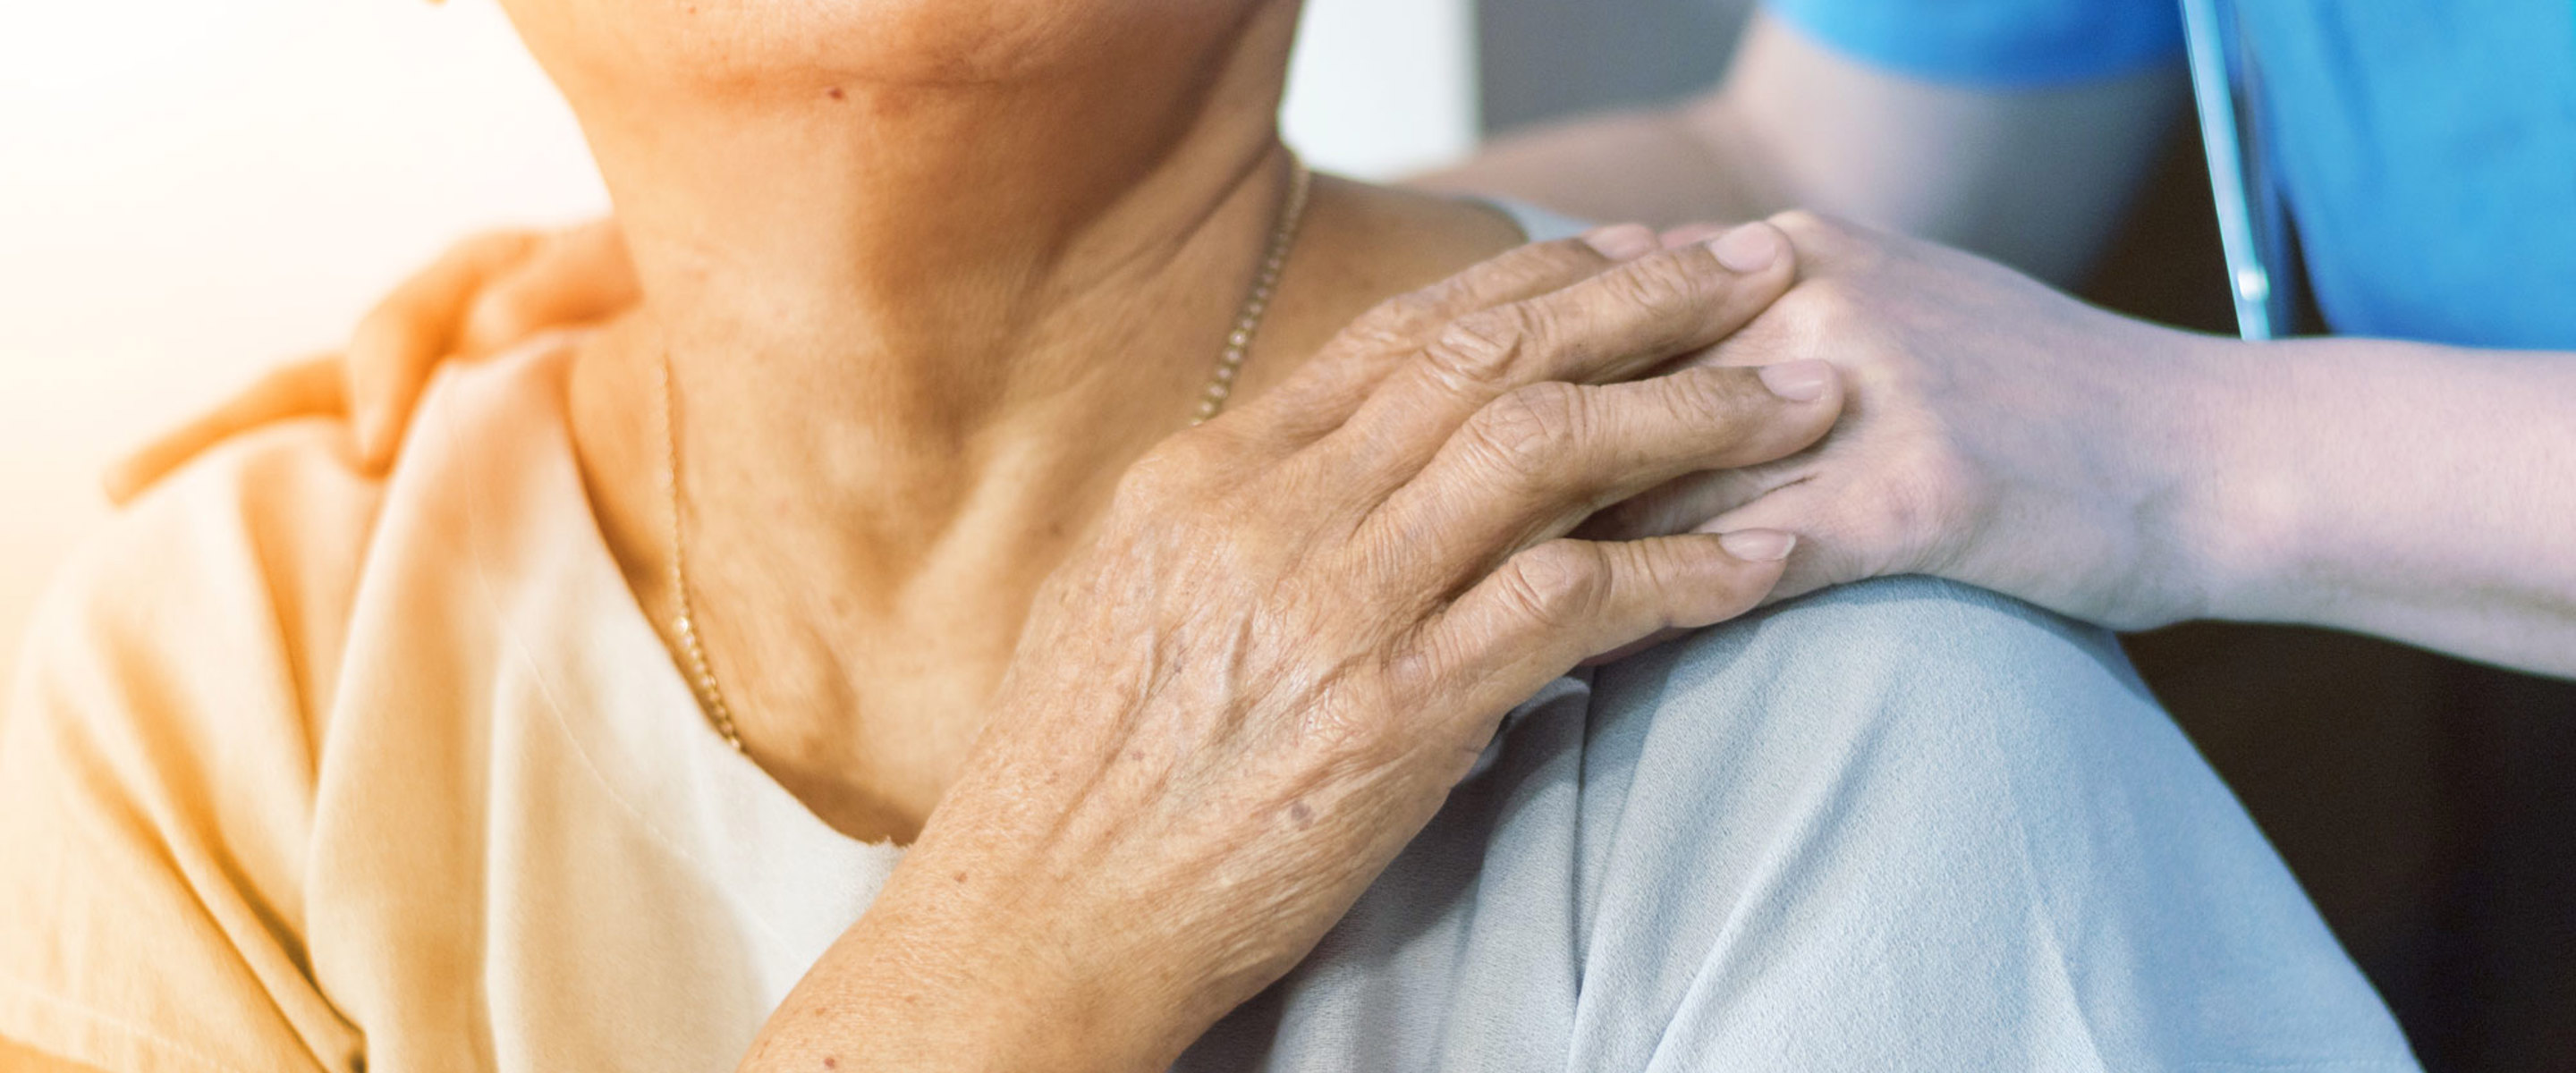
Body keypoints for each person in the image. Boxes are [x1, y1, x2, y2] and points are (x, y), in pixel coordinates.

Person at [0, 0, 2421, 1070]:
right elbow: (1846, 143)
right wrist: (987, 985)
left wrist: (2192, 451)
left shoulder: (1841, 705)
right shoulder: (217, 666)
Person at [122, 2, 2576, 683]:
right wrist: (937, 283)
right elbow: (1796, 153)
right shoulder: (220, 632)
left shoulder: (1920, 754)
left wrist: (2191, 461)